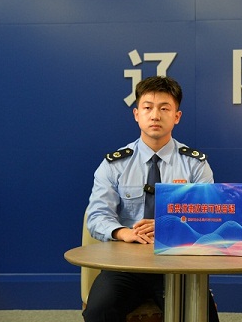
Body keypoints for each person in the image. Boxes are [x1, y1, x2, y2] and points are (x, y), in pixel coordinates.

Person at [83, 76, 219, 322]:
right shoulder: (114, 164)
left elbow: (208, 217)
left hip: (178, 263)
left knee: (202, 316)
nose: (155, 115)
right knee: (98, 311)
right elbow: (97, 216)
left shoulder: (195, 165)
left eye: (164, 108)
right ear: (136, 114)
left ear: (177, 116)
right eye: (147, 107)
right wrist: (123, 233)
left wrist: (170, 227)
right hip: (125, 266)